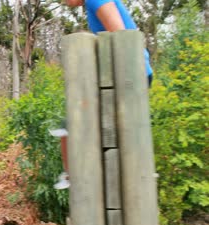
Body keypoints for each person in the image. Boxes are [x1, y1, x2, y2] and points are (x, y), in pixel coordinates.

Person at [52, 0, 153, 189]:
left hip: (128, 77)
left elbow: (121, 36)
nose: (63, 2)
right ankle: (77, 176)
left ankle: (75, 176)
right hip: (126, 76)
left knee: (69, 124)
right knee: (70, 126)